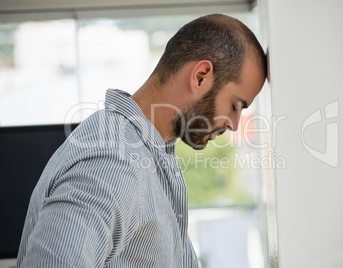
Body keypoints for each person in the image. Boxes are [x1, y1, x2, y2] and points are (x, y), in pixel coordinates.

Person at [16, 14, 267, 267]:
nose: (234, 124)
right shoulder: (113, 161)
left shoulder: (150, 155)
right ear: (201, 76)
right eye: (236, 105)